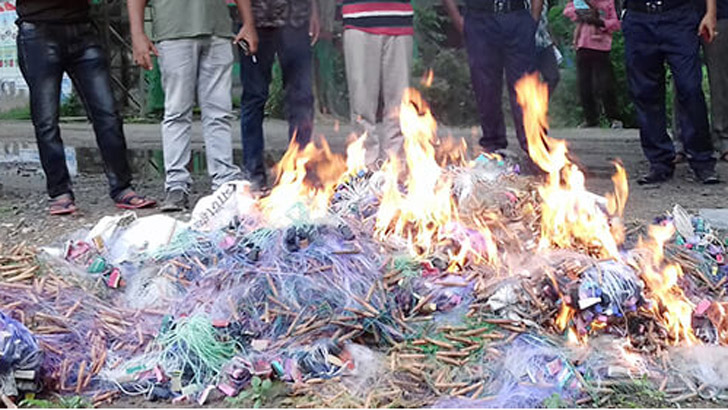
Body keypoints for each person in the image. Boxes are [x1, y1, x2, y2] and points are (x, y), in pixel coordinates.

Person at [15, 0, 156, 215]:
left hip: (83, 28)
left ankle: (122, 188)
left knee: (107, 114)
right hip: (38, 31)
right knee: (46, 120)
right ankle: (59, 192)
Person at [128, 0, 258, 211]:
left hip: (218, 30)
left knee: (219, 113)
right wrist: (137, 34)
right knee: (177, 112)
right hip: (174, 31)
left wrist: (248, 23)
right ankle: (176, 185)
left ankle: (224, 182)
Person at [622, 0, 720, 184]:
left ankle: (702, 160)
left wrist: (711, 12)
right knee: (644, 92)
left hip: (679, 15)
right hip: (638, 17)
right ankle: (659, 162)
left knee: (690, 87)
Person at [442, 0, 543, 171]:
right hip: (479, 18)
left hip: (517, 15)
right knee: (485, 87)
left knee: (526, 86)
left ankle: (536, 150)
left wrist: (533, 19)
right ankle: (492, 148)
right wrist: (458, 20)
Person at [239, 0, 320, 192]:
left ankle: (301, 172)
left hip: (297, 22)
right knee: (254, 98)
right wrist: (247, 23)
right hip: (257, 22)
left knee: (302, 98)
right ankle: (253, 174)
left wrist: (314, 13)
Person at [342, 0, 413, 167]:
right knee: (361, 105)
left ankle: (396, 168)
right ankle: (365, 169)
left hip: (399, 18)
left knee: (399, 104)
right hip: (358, 17)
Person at [564, 0, 622, 129]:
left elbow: (616, 23)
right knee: (584, 85)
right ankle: (590, 119)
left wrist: (600, 22)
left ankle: (614, 117)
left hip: (602, 47)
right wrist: (580, 15)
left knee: (605, 84)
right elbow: (568, 10)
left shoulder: (609, 2)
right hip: (582, 45)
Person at [707, 0, 728, 162]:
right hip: (681, 13)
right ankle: (682, 140)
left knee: (720, 78)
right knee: (684, 80)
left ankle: (723, 138)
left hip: (721, 13)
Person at [533, 0, 561, 98]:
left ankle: (537, 105)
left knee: (553, 77)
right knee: (530, 79)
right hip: (527, 42)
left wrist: (551, 35)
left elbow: (544, 19)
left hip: (544, 41)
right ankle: (530, 108)